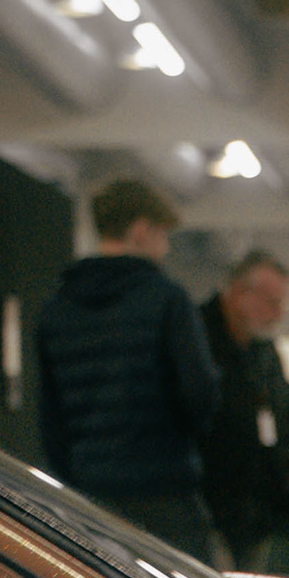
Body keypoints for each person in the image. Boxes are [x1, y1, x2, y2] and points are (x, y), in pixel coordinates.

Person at [32, 177, 220, 557]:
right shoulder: (167, 300)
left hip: (90, 497)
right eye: (162, 235)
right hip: (164, 494)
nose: (165, 248)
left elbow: (49, 419)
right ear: (140, 231)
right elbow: (199, 394)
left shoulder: (56, 308)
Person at [198, 249, 289, 570]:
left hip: (255, 513)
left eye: (282, 305)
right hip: (207, 509)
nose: (277, 315)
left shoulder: (264, 351)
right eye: (272, 303)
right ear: (240, 294)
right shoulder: (195, 338)